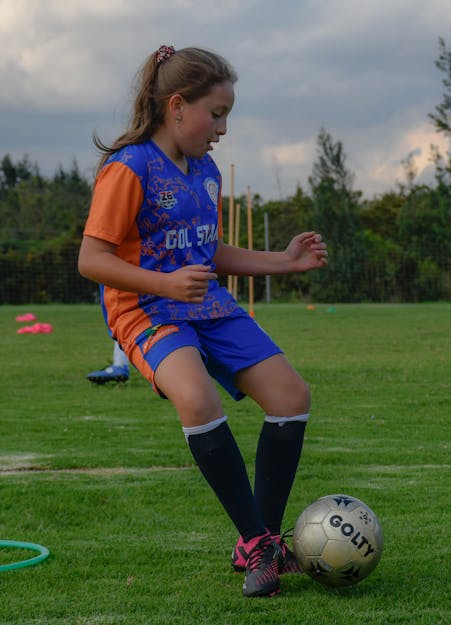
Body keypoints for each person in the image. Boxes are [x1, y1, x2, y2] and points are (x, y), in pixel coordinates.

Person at [78, 44, 327, 598]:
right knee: (197, 399)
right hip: (143, 307)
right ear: (176, 106)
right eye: (216, 114)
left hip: (205, 303)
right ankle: (262, 542)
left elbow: (209, 252)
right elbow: (91, 260)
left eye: (226, 116)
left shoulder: (206, 170)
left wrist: (282, 263)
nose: (222, 128)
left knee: (291, 395)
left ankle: (255, 541)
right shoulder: (129, 168)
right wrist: (164, 283)